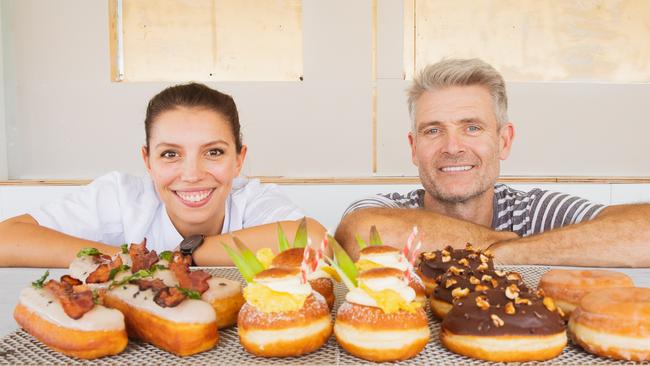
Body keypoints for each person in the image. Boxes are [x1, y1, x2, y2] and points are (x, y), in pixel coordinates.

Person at [335, 58, 650, 267]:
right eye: (433, 131)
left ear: (504, 141)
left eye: (472, 127)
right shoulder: (387, 209)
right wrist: (499, 246)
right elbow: (359, 233)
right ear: (414, 148)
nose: (453, 147)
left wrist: (513, 252)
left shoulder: (535, 212)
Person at [0, 83, 324, 267]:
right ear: (148, 160)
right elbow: (6, 238)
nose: (192, 174)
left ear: (239, 160)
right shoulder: (121, 196)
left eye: (214, 152)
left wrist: (181, 257)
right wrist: (130, 261)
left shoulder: (252, 200)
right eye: (170, 154)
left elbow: (316, 241)